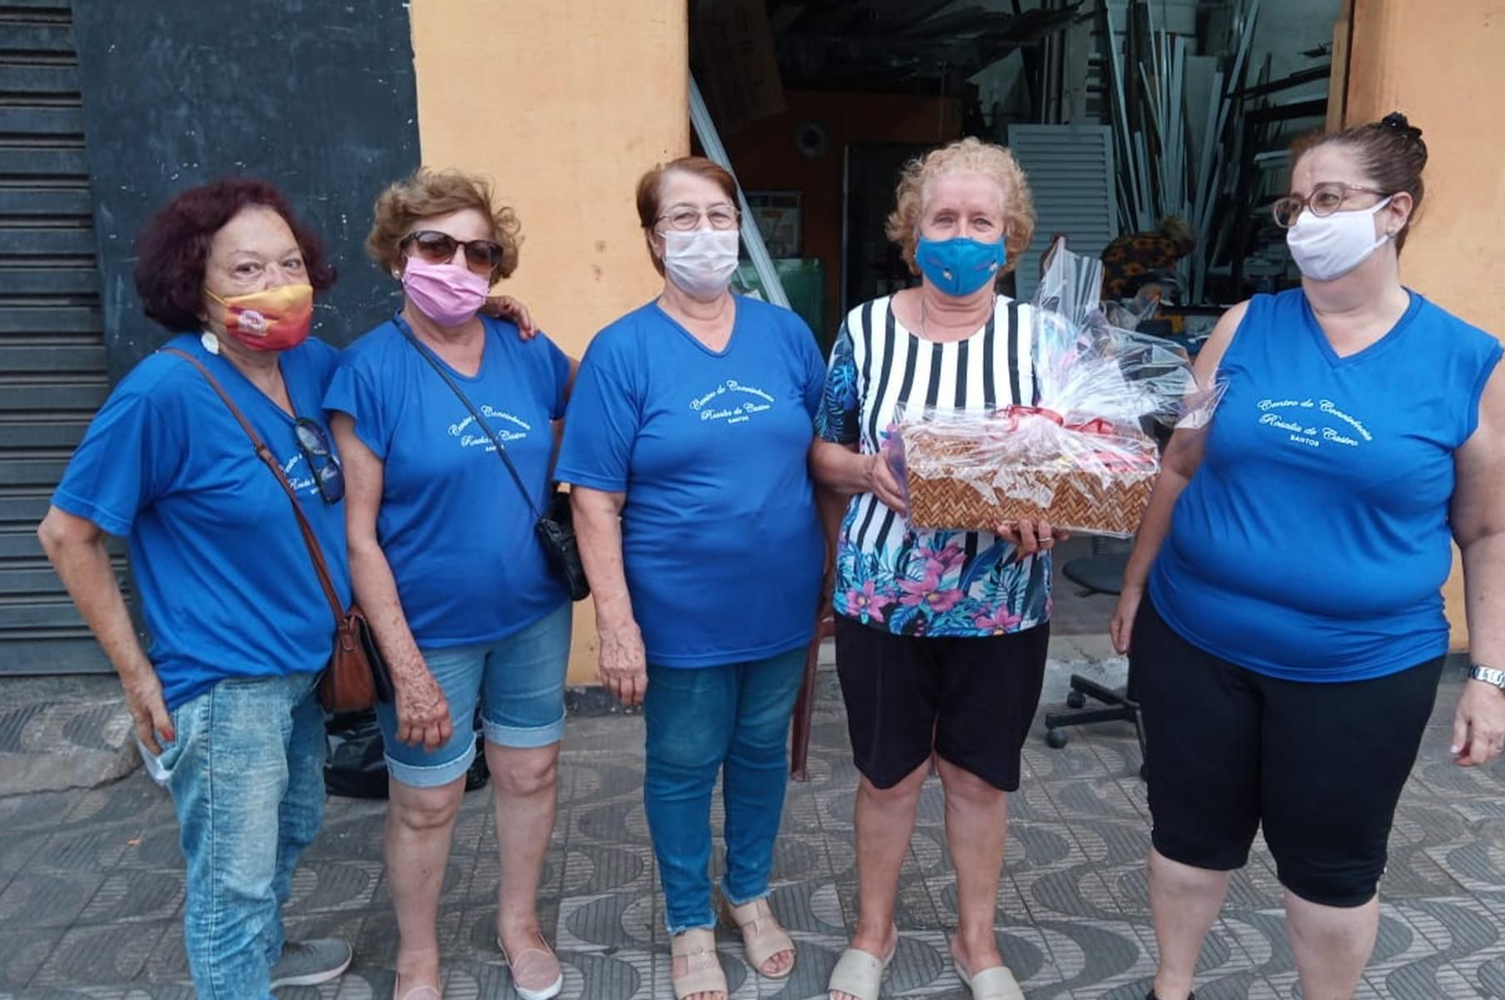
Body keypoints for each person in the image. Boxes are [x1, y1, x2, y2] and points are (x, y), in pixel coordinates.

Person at [1110, 112, 1505, 1000]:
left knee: (1332, 871)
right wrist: (1138, 583)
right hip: (1197, 642)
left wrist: (1492, 677)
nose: (1304, 221)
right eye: (1295, 204)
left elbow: (1492, 529)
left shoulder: (1465, 363)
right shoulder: (1242, 329)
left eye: (1329, 199)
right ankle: (1170, 986)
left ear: (1394, 212)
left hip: (1363, 669)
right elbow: (1180, 463)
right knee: (1187, 837)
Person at [36, 178, 355, 998]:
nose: (275, 283)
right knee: (231, 881)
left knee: (289, 831)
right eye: (245, 269)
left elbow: (404, 376)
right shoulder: (162, 393)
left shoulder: (308, 363)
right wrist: (137, 676)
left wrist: (495, 322)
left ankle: (264, 956)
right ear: (194, 283)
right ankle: (235, 977)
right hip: (222, 685)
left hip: (301, 670)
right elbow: (67, 533)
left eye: (289, 262)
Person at [554, 156, 826, 1000]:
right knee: (681, 761)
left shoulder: (785, 336)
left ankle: (747, 893)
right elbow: (594, 503)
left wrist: (840, 573)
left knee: (759, 753)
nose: (705, 234)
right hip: (677, 611)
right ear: (652, 239)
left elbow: (821, 459)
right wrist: (619, 625)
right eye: (683, 219)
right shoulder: (621, 351)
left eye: (718, 215)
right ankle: (688, 918)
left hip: (781, 599)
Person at [810, 137, 1058, 1000]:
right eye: (941, 220)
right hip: (884, 598)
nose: (960, 236)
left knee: (980, 779)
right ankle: (872, 935)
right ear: (911, 238)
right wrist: (863, 472)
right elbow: (824, 449)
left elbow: (1084, 461)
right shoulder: (866, 330)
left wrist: (1052, 504)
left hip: (1002, 604)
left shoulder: (1045, 338)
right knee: (888, 777)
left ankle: (974, 940)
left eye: (978, 220)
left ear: (1009, 237)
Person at [323, 169, 573, 1000]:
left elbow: (600, 418)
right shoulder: (367, 371)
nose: (457, 264)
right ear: (400, 255)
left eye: (479, 251)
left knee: (530, 773)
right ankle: (418, 955)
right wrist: (410, 666)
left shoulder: (529, 351)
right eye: (436, 245)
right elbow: (359, 536)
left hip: (533, 615)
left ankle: (518, 923)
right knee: (426, 802)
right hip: (428, 628)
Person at [1100, 215, 1195, 301]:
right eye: (1180, 255)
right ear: (1179, 243)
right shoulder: (1165, 247)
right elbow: (1168, 280)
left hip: (1100, 289)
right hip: (1115, 292)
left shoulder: (1141, 239)